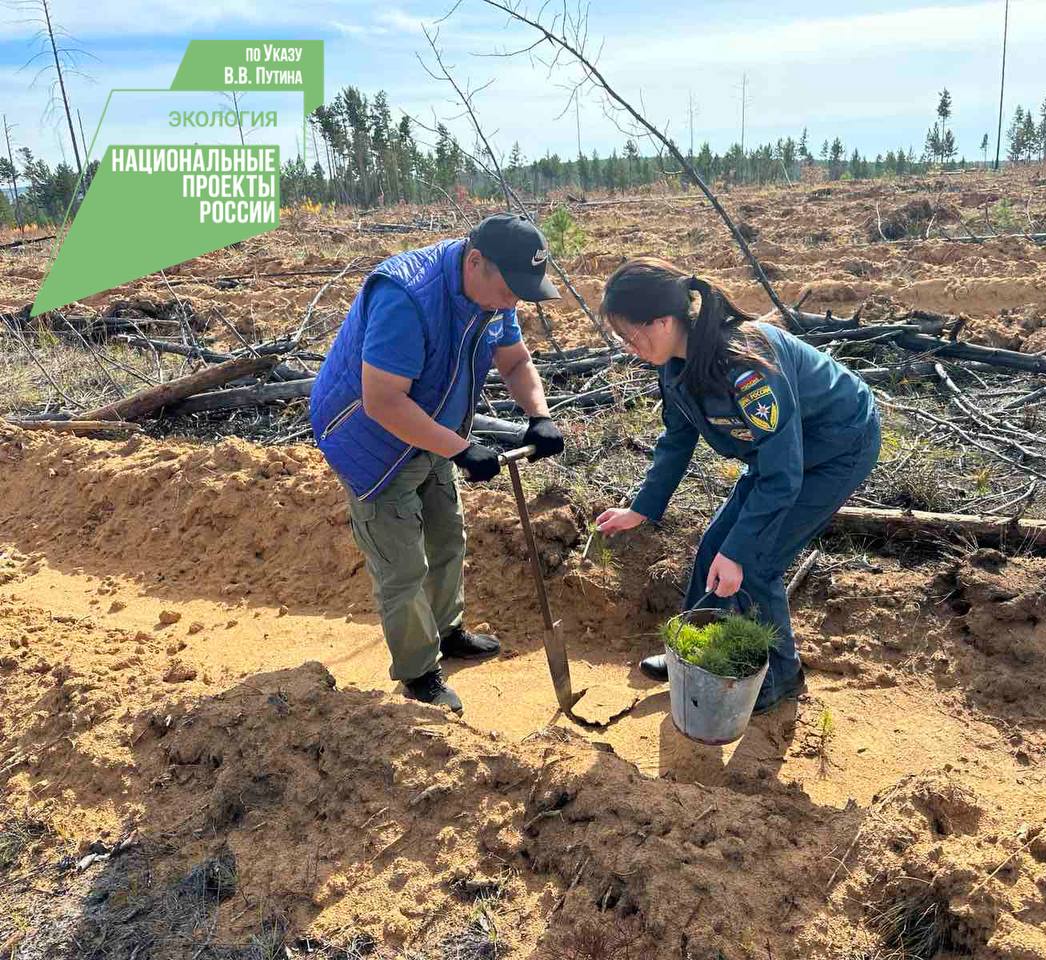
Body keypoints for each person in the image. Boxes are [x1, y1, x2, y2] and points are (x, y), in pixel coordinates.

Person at [595, 258, 881, 714]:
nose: (628, 346)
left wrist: (741, 552)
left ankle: (782, 677)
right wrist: (642, 508)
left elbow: (783, 476)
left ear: (663, 321)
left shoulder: (747, 366)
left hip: (837, 447)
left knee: (757, 562)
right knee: (715, 548)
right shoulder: (674, 364)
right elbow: (677, 437)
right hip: (779, 455)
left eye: (631, 334)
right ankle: (690, 655)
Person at [310, 214, 566, 714]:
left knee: (448, 538)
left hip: (429, 430)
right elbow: (382, 402)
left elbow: (514, 361)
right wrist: (461, 449)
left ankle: (447, 633)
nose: (514, 301)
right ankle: (418, 672)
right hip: (372, 440)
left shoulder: (492, 296)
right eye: (510, 288)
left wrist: (539, 416)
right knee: (402, 565)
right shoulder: (406, 296)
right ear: (475, 262)